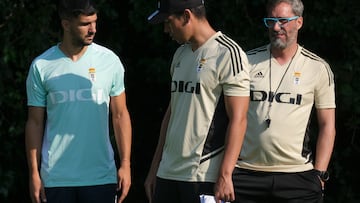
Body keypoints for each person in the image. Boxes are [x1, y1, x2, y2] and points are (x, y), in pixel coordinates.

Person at [25, 0, 132, 202]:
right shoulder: (41, 66)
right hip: (56, 178)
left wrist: (125, 164)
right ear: (66, 24)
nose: (93, 29)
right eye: (85, 24)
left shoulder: (109, 61)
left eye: (94, 22)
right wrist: (33, 173)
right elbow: (35, 122)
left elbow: (120, 115)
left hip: (101, 176)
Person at [144, 0, 250, 203]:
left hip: (203, 175)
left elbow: (239, 119)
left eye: (168, 22)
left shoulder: (229, 54)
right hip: (168, 173)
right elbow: (172, 111)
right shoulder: (180, 54)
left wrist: (225, 175)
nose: (166, 30)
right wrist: (155, 167)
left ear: (186, 16)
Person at [232, 0, 336, 202]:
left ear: (299, 22)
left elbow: (327, 125)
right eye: (270, 21)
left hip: (298, 176)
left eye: (282, 20)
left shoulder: (318, 68)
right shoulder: (247, 61)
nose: (275, 27)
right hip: (246, 174)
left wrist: (320, 174)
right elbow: (229, 116)